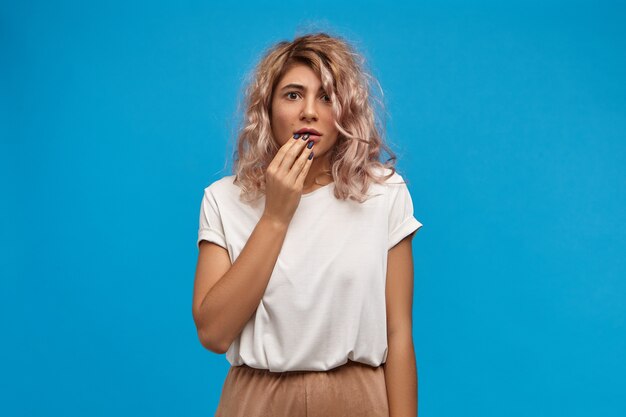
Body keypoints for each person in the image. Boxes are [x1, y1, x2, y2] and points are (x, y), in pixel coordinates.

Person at [192, 32, 423, 417]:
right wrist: (276, 216)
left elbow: (398, 335)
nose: (310, 112)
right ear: (267, 108)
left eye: (327, 97)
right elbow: (214, 334)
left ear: (345, 110)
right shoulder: (223, 198)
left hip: (357, 398)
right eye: (293, 94)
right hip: (256, 399)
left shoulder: (383, 194)